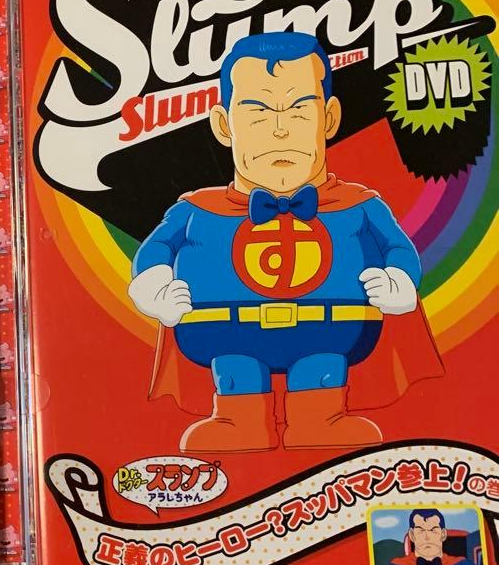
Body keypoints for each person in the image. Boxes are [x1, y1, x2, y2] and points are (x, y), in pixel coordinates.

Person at [129, 32, 441, 452]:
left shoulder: (359, 204)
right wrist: (152, 284)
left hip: (331, 329)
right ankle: (238, 421)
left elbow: (398, 248)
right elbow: (156, 250)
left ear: (329, 118)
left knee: (322, 368)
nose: (280, 130)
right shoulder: (196, 210)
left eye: (299, 110)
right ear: (224, 125)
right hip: (226, 332)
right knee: (236, 371)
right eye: (257, 112)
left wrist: (399, 280)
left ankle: (321, 420)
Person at [380, 508, 485, 565]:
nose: (427, 537)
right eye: (421, 530)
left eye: (433, 530)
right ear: (412, 535)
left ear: (443, 534)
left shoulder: (461, 563)